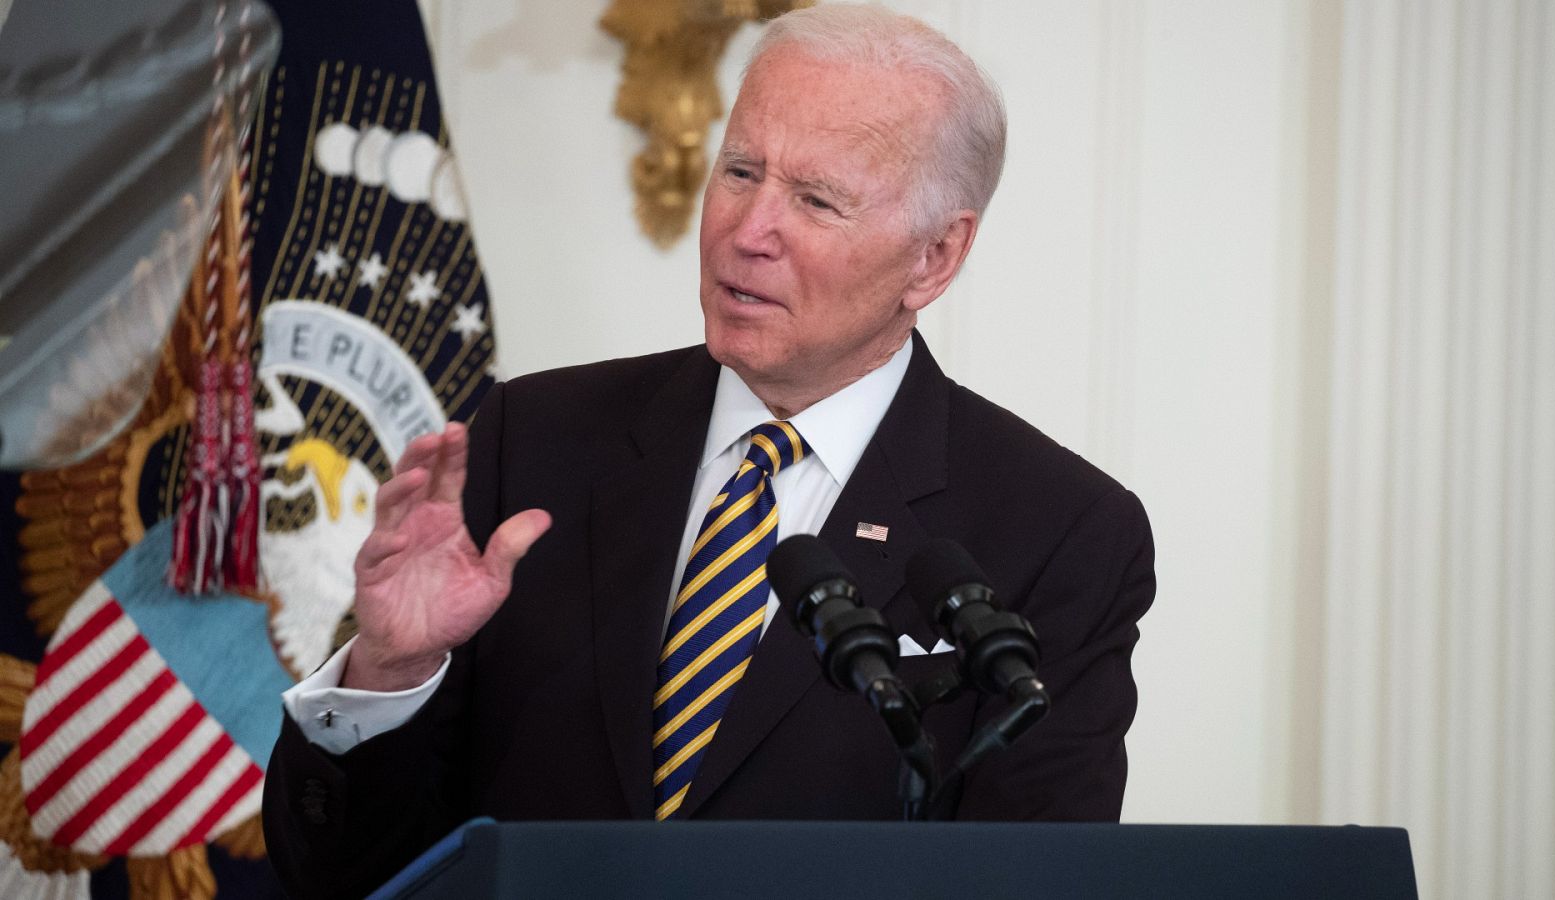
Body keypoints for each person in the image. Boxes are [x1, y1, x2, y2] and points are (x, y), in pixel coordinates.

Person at [263, 5, 1156, 897]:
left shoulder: (1060, 533)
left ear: (935, 256)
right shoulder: (531, 441)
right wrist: (391, 671)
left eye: (815, 199)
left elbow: (1036, 877)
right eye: (739, 171)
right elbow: (351, 875)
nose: (747, 229)